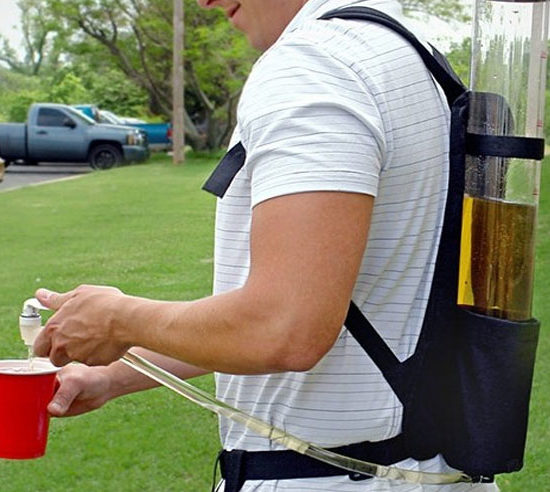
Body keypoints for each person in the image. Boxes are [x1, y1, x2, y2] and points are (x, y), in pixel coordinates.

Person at [34, 0, 499, 491]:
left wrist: (119, 319)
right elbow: (329, 305)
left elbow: (284, 326)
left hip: (329, 480)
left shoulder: (315, 65)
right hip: (425, 473)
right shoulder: (409, 54)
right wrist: (116, 376)